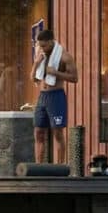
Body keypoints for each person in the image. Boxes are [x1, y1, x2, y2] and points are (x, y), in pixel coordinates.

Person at [30, 30, 78, 163]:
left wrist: (56, 73)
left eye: (44, 45)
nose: (42, 48)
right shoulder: (41, 56)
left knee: (57, 133)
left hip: (56, 97)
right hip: (42, 97)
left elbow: (75, 78)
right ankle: (38, 166)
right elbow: (33, 78)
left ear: (51, 42)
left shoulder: (65, 57)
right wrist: (36, 63)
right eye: (40, 45)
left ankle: (61, 166)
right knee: (38, 132)